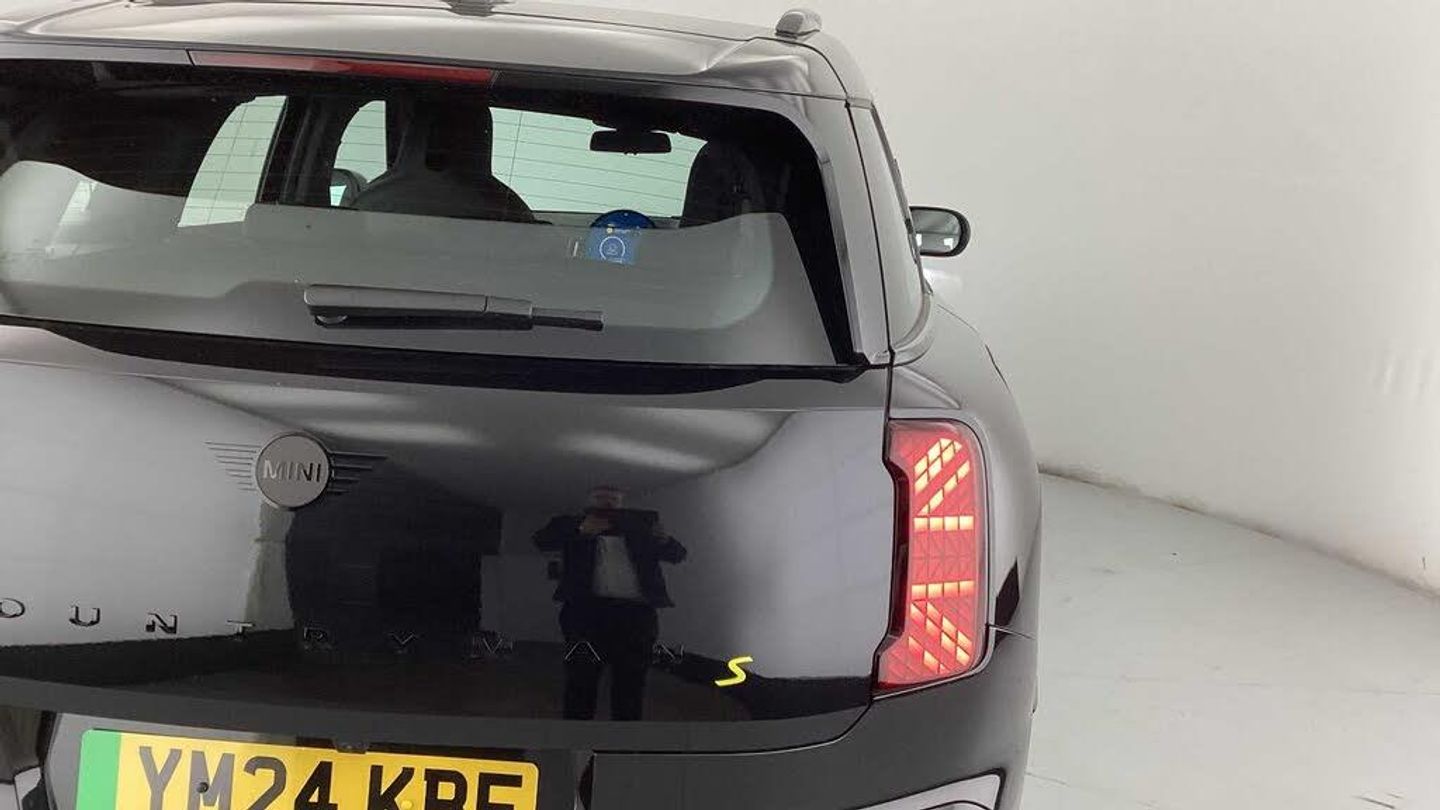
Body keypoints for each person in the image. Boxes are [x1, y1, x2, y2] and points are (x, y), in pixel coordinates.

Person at [532, 486, 687, 721]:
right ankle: (576, 734)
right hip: (585, 614)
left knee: (631, 680)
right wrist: (581, 530)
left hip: (636, 615)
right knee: (581, 676)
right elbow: (541, 541)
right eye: (601, 498)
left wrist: (664, 538)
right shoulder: (570, 523)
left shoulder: (640, 528)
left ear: (622, 504)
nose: (607, 503)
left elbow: (678, 555)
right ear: (588, 501)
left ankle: (624, 735)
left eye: (614, 499)